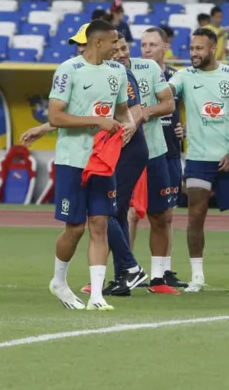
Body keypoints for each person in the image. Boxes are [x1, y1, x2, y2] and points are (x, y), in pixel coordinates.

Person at [22, 24, 147, 300]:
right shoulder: (69, 70)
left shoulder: (117, 72)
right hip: (73, 160)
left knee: (100, 223)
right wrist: (97, 121)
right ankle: (59, 281)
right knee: (75, 227)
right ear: (99, 42)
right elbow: (57, 116)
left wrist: (126, 127)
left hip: (103, 161)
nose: (118, 47)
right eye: (114, 42)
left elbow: (123, 110)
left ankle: (97, 296)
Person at [167, 28, 229, 293]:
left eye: (199, 48)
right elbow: (164, 96)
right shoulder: (183, 76)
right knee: (195, 216)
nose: (194, 53)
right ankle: (197, 276)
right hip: (198, 158)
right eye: (191, 48)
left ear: (213, 48)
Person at [128, 26, 186, 289]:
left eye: (152, 45)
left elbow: (180, 108)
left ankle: (161, 273)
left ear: (165, 47)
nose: (147, 50)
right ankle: (126, 269)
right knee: (126, 214)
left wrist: (185, 129)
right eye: (143, 45)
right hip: (132, 152)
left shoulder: (174, 76)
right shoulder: (126, 71)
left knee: (163, 215)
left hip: (166, 151)